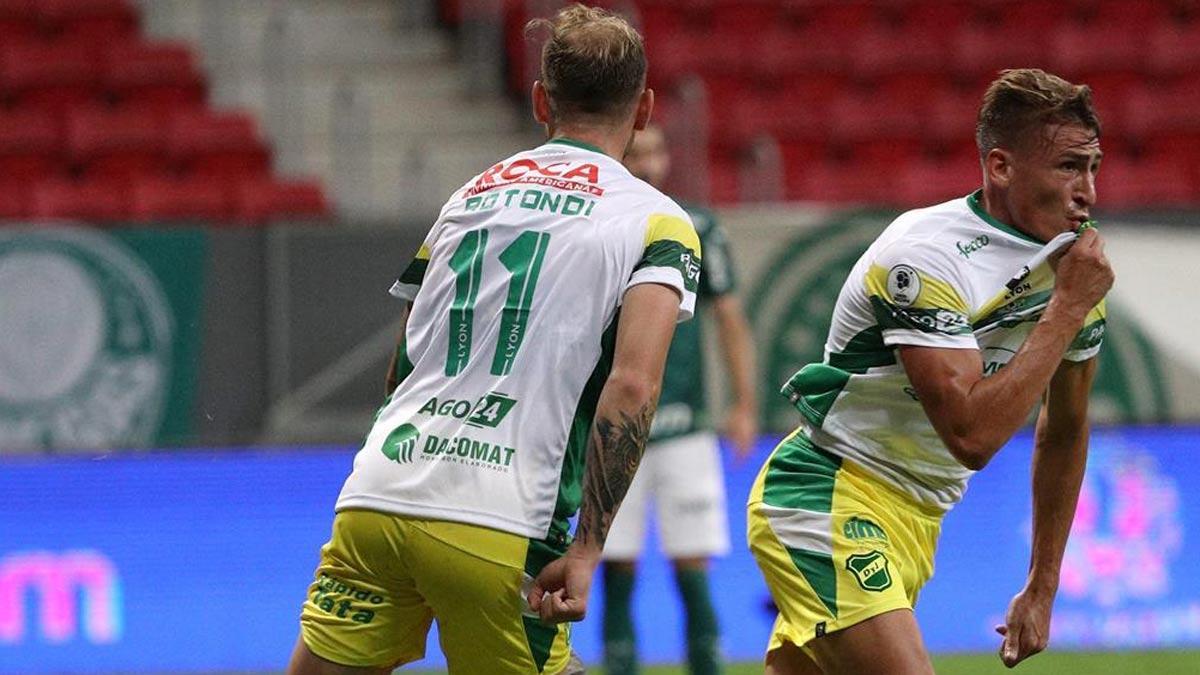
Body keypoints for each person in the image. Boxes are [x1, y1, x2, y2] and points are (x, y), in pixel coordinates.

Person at [286, 5, 703, 674]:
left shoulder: (471, 195)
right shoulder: (658, 222)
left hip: (381, 493)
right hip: (501, 518)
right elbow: (633, 383)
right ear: (646, 108)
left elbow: (405, 358)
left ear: (542, 101)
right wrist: (591, 547)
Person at [747, 68, 1113, 674]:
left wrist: (1042, 587)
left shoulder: (1076, 269)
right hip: (828, 494)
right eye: (1069, 168)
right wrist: (1066, 307)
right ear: (1000, 166)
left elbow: (1067, 428)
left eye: (1094, 167)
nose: (1089, 192)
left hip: (917, 521)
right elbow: (970, 436)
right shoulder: (927, 257)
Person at [600, 123, 758, 675]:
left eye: (656, 152)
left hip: (686, 426)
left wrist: (743, 403)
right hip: (615, 428)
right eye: (636, 153)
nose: (647, 164)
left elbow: (730, 319)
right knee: (614, 565)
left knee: (692, 563)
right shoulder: (603, 224)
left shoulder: (697, 227)